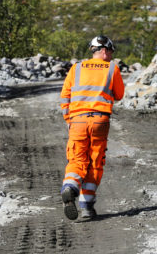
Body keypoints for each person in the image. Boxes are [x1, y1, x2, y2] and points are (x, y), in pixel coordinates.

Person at [59, 35, 124, 221]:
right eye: (110, 52)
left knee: (77, 159)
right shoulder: (112, 68)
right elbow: (119, 95)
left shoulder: (76, 68)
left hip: (77, 121)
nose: (111, 56)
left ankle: (70, 187)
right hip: (100, 121)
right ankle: (87, 206)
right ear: (104, 50)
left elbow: (65, 97)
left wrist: (69, 120)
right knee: (95, 162)